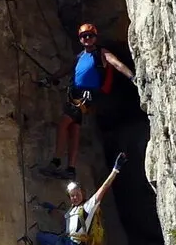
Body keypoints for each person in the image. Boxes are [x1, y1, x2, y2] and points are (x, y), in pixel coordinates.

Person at [48, 23, 135, 178]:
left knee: (63, 123)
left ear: (95, 37)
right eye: (84, 36)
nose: (87, 38)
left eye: (90, 35)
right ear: (80, 39)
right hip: (74, 94)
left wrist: (131, 76)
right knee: (74, 129)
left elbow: (116, 63)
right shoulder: (80, 56)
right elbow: (66, 68)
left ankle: (55, 161)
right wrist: (51, 78)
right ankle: (71, 169)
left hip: (87, 96)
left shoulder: (101, 53)